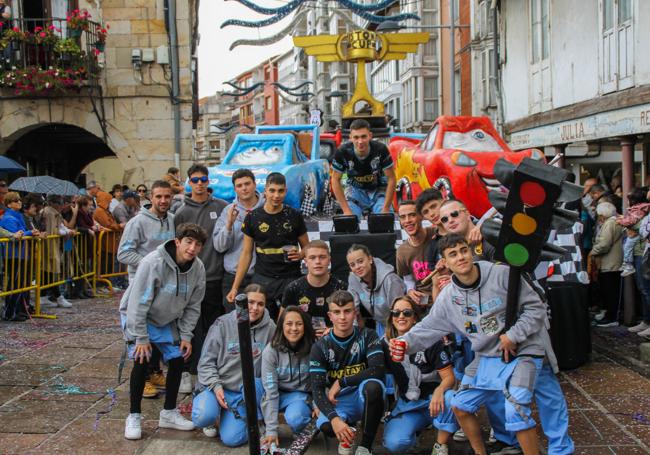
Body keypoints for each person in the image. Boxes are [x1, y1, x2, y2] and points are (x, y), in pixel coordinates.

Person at [389, 234, 569, 455]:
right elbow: (428, 327)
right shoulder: (448, 297)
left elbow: (536, 308)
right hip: (488, 357)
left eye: (463, 250)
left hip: (524, 351)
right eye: (453, 254)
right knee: (460, 404)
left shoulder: (501, 274)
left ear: (471, 251)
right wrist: (404, 342)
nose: (461, 257)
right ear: (444, 262)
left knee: (523, 407)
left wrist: (513, 334)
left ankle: (561, 450)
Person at [121, 223, 207, 440]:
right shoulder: (153, 262)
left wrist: (186, 335)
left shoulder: (198, 269)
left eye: (197, 244)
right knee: (142, 360)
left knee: (179, 359)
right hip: (140, 316)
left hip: (166, 319)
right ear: (177, 241)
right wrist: (141, 337)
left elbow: (193, 306)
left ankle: (169, 412)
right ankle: (134, 415)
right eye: (188, 242)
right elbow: (138, 303)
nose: (192, 248)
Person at [192, 284, 276, 446]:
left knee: (232, 439)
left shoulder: (270, 327)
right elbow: (205, 362)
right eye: (250, 303)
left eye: (260, 304)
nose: (254, 308)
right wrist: (216, 387)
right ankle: (213, 412)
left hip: (242, 394)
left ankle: (232, 415)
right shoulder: (222, 324)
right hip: (215, 386)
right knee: (203, 416)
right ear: (241, 303)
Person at [118, 180, 175, 398]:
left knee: (160, 330)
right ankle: (141, 379)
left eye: (167, 196)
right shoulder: (137, 222)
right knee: (140, 332)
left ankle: (154, 371)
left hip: (164, 287)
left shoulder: (172, 220)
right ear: (150, 197)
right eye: (159, 196)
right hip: (141, 286)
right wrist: (148, 264)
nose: (163, 200)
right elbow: (123, 254)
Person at [173, 163, 228, 393]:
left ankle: (211, 369)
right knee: (190, 327)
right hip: (190, 277)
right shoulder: (181, 212)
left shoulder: (221, 206)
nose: (199, 184)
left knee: (214, 326)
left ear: (208, 181)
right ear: (188, 182)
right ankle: (188, 370)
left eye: (203, 179)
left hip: (214, 276)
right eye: (194, 180)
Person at [310, 290, 385, 455]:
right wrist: (334, 419)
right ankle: (348, 435)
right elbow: (317, 388)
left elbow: (377, 370)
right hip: (339, 400)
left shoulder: (368, 335)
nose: (342, 317)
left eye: (347, 311)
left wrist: (342, 381)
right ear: (330, 316)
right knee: (328, 427)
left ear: (355, 313)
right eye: (337, 312)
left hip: (362, 394)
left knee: (373, 387)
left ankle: (365, 446)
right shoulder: (320, 346)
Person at [226, 172, 309, 321]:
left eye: (280, 191)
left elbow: (308, 247)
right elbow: (246, 253)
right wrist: (234, 287)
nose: (276, 195)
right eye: (272, 190)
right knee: (260, 322)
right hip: (263, 279)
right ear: (265, 191)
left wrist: (302, 255)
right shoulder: (253, 217)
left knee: (290, 322)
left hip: (291, 277)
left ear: (286, 191)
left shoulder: (294, 215)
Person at [381, 295, 458, 454]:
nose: (401, 316)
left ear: (415, 318)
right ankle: (413, 430)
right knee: (395, 443)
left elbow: (450, 377)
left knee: (451, 398)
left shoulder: (431, 340)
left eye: (407, 313)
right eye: (396, 313)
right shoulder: (386, 344)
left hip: (434, 401)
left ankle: (440, 445)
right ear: (392, 318)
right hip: (409, 405)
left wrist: (439, 390)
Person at [260, 306, 316, 447]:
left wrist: (317, 403)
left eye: (299, 323)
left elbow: (319, 382)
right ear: (281, 326)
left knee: (296, 417)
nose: (294, 328)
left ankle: (299, 430)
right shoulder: (270, 351)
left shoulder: (314, 348)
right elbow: (271, 391)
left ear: (305, 326)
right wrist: (272, 429)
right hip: (277, 394)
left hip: (300, 395)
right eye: (289, 324)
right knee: (254, 386)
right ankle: (263, 428)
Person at [213, 168, 264, 312]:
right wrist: (229, 224)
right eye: (239, 186)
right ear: (235, 189)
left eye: (247, 183)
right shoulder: (228, 211)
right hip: (234, 277)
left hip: (261, 276)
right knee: (234, 322)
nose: (244, 188)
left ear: (254, 184)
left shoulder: (268, 207)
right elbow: (219, 246)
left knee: (261, 321)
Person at [331, 118, 396, 219]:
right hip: (355, 190)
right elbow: (335, 179)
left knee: (385, 219)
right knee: (350, 220)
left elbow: (391, 178)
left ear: (370, 136)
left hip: (378, 189)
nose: (360, 141)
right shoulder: (343, 151)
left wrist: (386, 208)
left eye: (363, 137)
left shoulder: (381, 149)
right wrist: (346, 210)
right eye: (356, 137)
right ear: (350, 138)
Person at [281, 240, 347, 335]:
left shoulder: (341, 288)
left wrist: (334, 331)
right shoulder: (293, 289)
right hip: (302, 340)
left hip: (334, 338)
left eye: (322, 257)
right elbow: (282, 322)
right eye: (312, 258)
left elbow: (352, 320)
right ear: (306, 261)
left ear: (329, 260)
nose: (317, 262)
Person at [346, 243, 406, 336]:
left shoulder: (390, 279)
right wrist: (355, 335)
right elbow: (352, 308)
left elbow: (400, 311)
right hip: (381, 323)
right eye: (352, 265)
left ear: (370, 259)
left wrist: (394, 335)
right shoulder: (353, 278)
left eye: (360, 261)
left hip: (399, 323)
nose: (357, 267)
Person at [0, 192, 40, 321]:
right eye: (16, 201)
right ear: (9, 204)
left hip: (22, 254)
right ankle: (10, 312)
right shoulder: (8, 218)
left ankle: (19, 309)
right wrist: (29, 233)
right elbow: (16, 234)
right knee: (14, 284)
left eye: (19, 200)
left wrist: (30, 232)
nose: (19, 202)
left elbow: (22, 231)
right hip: (14, 255)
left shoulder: (18, 216)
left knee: (21, 283)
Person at [396, 200, 438, 307]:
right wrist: (410, 290)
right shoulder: (402, 251)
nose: (407, 220)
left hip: (446, 292)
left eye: (412, 215)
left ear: (421, 216)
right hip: (423, 301)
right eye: (403, 217)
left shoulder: (436, 233)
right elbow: (408, 279)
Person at [589, 202, 624, 327]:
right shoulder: (614, 221)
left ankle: (612, 317)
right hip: (611, 262)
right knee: (609, 290)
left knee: (610, 291)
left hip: (611, 262)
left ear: (603, 214)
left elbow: (604, 244)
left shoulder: (610, 223)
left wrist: (593, 251)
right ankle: (610, 315)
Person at [40, 196, 74, 308]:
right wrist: (64, 233)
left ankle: (44, 296)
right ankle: (58, 296)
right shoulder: (49, 212)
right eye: (58, 202)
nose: (61, 205)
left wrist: (67, 231)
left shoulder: (54, 212)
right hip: (49, 245)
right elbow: (53, 230)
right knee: (50, 271)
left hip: (53, 244)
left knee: (48, 272)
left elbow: (60, 226)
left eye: (61, 202)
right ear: (51, 202)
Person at [616, 187, 650, 277]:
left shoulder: (638, 210)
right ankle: (627, 263)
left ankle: (628, 264)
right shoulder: (642, 208)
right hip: (639, 248)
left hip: (641, 250)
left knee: (644, 286)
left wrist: (621, 222)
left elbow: (634, 223)